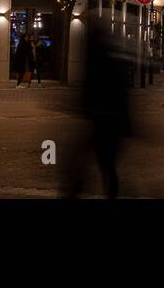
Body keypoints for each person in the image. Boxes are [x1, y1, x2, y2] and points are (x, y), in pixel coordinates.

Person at [63, 15, 131, 198]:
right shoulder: (110, 55)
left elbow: (92, 87)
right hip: (107, 120)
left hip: (102, 120)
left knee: (92, 164)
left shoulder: (97, 56)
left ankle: (74, 193)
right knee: (104, 166)